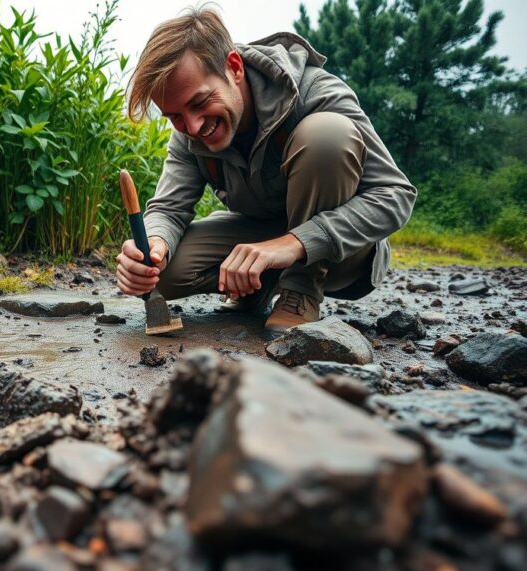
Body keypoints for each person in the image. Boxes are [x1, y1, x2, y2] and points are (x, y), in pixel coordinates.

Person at [116, 4, 416, 332]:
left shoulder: (315, 92)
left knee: (327, 135)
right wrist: (154, 246)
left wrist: (292, 244)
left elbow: (395, 195)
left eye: (200, 103)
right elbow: (169, 209)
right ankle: (259, 286)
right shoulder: (189, 130)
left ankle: (300, 291)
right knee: (166, 271)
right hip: (261, 235)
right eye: (174, 115)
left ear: (234, 67)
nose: (192, 126)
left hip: (343, 258)